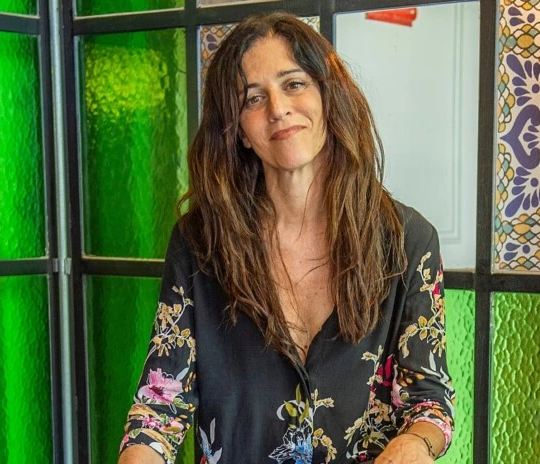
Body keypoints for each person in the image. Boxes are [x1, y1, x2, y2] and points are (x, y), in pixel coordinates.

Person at [118, 12, 454, 464]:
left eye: (294, 84)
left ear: (328, 96)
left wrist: (414, 443)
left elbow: (429, 401)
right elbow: (161, 405)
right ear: (238, 131)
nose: (277, 109)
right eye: (253, 98)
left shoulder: (407, 241)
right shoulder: (200, 242)